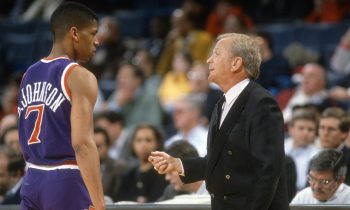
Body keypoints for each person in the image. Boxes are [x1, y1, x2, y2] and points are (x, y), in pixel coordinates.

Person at [149, 33, 289, 210]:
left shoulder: (261, 102)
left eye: (216, 54)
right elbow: (218, 162)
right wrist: (177, 163)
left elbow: (267, 170)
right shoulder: (221, 103)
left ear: (236, 63)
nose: (208, 60)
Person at [17, 2, 105, 210]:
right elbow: (82, 144)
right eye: (92, 33)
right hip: (65, 180)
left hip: (31, 178)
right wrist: (100, 204)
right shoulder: (79, 76)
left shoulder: (28, 75)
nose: (97, 41)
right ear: (74, 33)